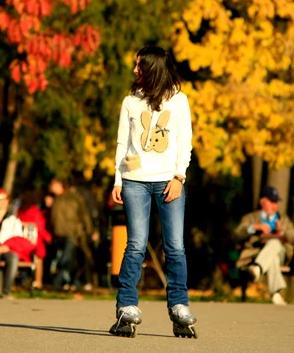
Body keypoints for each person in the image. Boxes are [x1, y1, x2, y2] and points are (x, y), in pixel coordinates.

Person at [109, 46, 197, 339]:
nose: (135, 70)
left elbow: (185, 143)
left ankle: (179, 306)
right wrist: (118, 180)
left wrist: (179, 177)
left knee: (175, 246)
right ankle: (126, 307)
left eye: (139, 65)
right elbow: (123, 145)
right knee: (135, 244)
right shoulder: (130, 102)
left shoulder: (179, 101)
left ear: (153, 68)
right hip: (134, 180)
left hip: (168, 182)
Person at [233, 185, 294, 306]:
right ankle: (276, 294)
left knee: (274, 243)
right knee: (272, 258)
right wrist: (254, 227)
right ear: (262, 202)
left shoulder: (283, 219)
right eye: (271, 202)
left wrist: (281, 232)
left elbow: (293, 236)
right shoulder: (251, 218)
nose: (275, 206)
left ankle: (257, 268)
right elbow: (237, 234)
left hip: (281, 253)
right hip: (255, 253)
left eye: (276, 202)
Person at [49, 178, 96, 291]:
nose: (51, 187)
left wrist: (90, 231)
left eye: (53, 184)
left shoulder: (70, 198)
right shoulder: (56, 199)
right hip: (61, 234)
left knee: (68, 259)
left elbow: (84, 215)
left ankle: (61, 282)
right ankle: (72, 282)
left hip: (71, 233)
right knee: (67, 259)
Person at [17, 189, 53, 289]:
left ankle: (24, 281)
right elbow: (40, 228)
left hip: (21, 242)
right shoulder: (35, 212)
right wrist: (48, 237)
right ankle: (38, 281)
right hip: (35, 242)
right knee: (39, 259)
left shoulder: (20, 211)